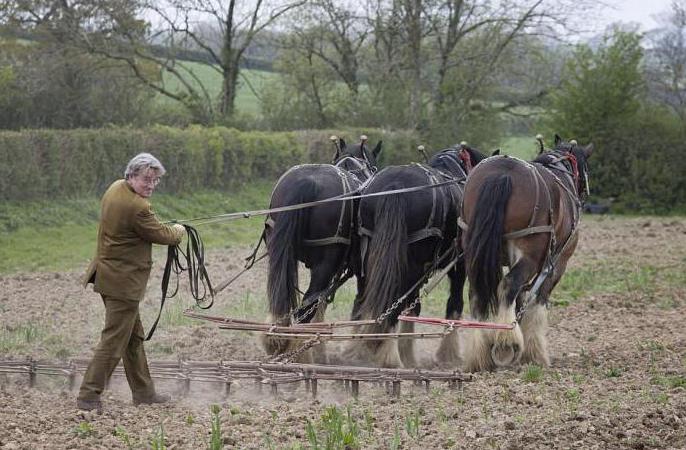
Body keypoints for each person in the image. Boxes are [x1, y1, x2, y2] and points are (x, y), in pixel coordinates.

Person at [76, 153, 185, 412]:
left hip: (107, 275)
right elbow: (163, 234)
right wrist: (179, 230)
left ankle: (144, 394)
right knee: (113, 341)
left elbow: (147, 227)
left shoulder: (116, 188)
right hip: (122, 285)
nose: (151, 185)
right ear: (132, 175)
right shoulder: (138, 207)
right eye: (146, 179)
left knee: (133, 338)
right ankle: (88, 396)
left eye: (155, 180)